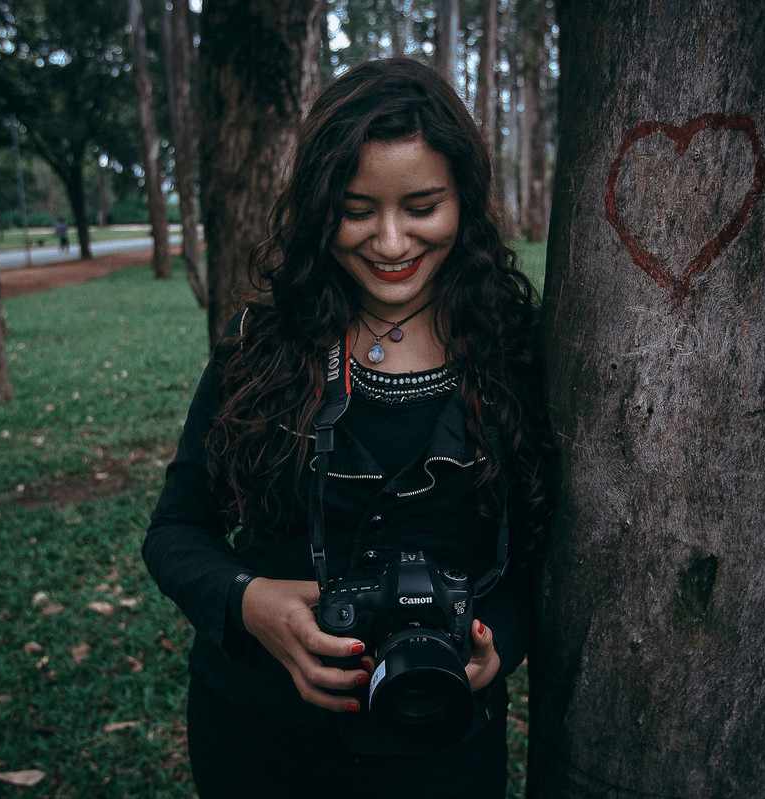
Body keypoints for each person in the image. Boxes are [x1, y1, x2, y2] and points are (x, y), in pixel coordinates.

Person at [143, 57, 551, 799]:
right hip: (257, 738)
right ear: (317, 205)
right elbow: (175, 529)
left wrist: (502, 649)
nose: (390, 242)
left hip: (442, 746)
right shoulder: (259, 342)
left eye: (422, 206)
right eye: (356, 209)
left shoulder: (513, 349)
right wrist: (250, 601)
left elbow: (539, 559)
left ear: (466, 198)